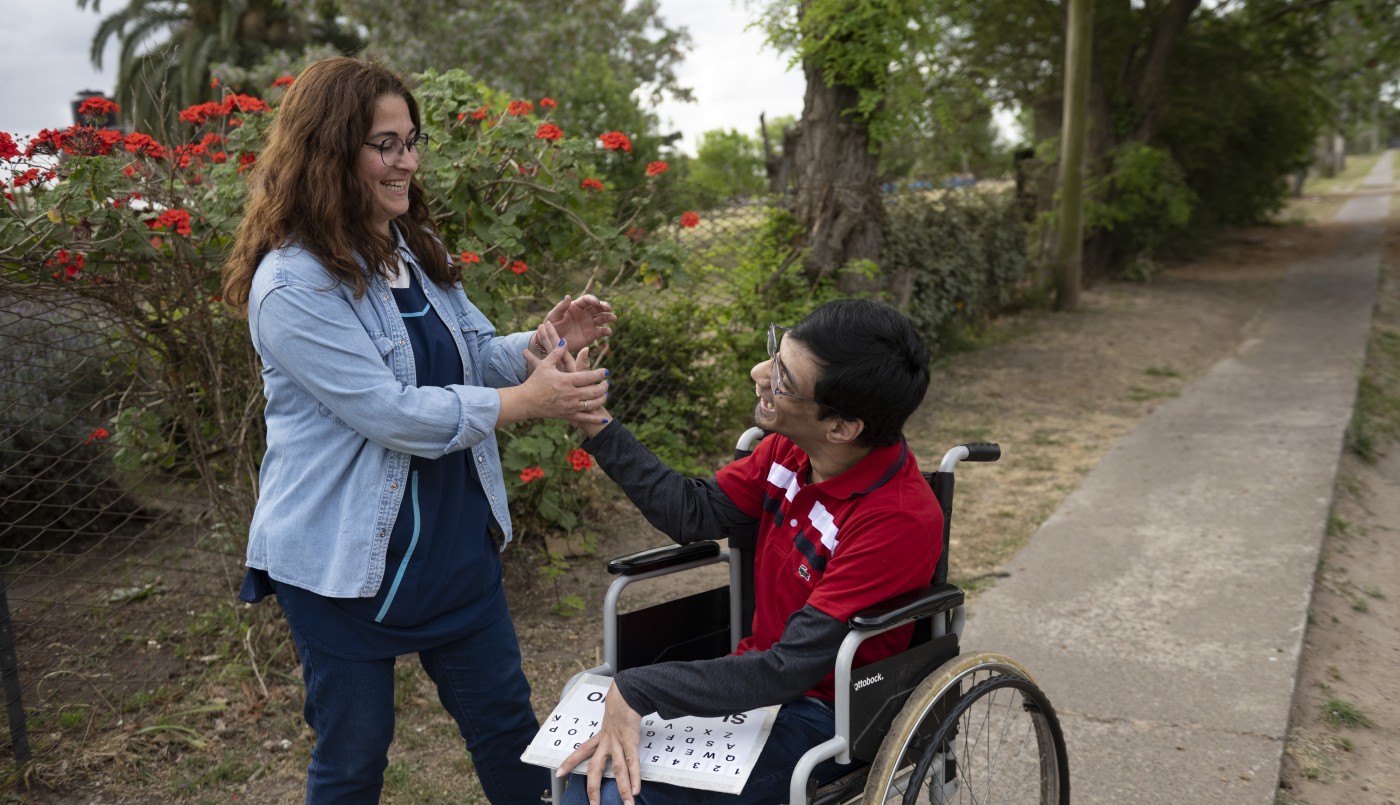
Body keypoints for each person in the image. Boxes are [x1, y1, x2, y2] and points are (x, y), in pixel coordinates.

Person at [219, 56, 614, 804]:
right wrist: (529, 402)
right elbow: (389, 411)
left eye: (411, 141)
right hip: (342, 564)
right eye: (386, 145)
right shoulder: (290, 285)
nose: (406, 161)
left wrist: (540, 342)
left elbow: (470, 353)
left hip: (450, 548)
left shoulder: (411, 250)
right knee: (354, 758)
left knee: (508, 732)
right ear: (332, 152)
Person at [553, 298, 941, 805]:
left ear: (842, 427)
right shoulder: (790, 450)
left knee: (609, 797)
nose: (759, 373)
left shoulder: (897, 520)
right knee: (585, 775)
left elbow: (789, 669)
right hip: (752, 686)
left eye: (783, 377)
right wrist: (594, 420)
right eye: (773, 355)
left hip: (824, 716)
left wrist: (641, 689)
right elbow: (689, 512)